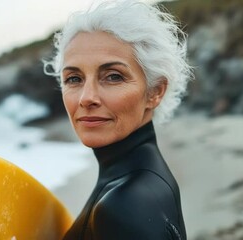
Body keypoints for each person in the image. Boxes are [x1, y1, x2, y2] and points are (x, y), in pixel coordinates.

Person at [43, 0, 192, 239]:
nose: (86, 98)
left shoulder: (125, 205)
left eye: (113, 77)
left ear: (155, 92)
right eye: (73, 79)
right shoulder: (139, 184)